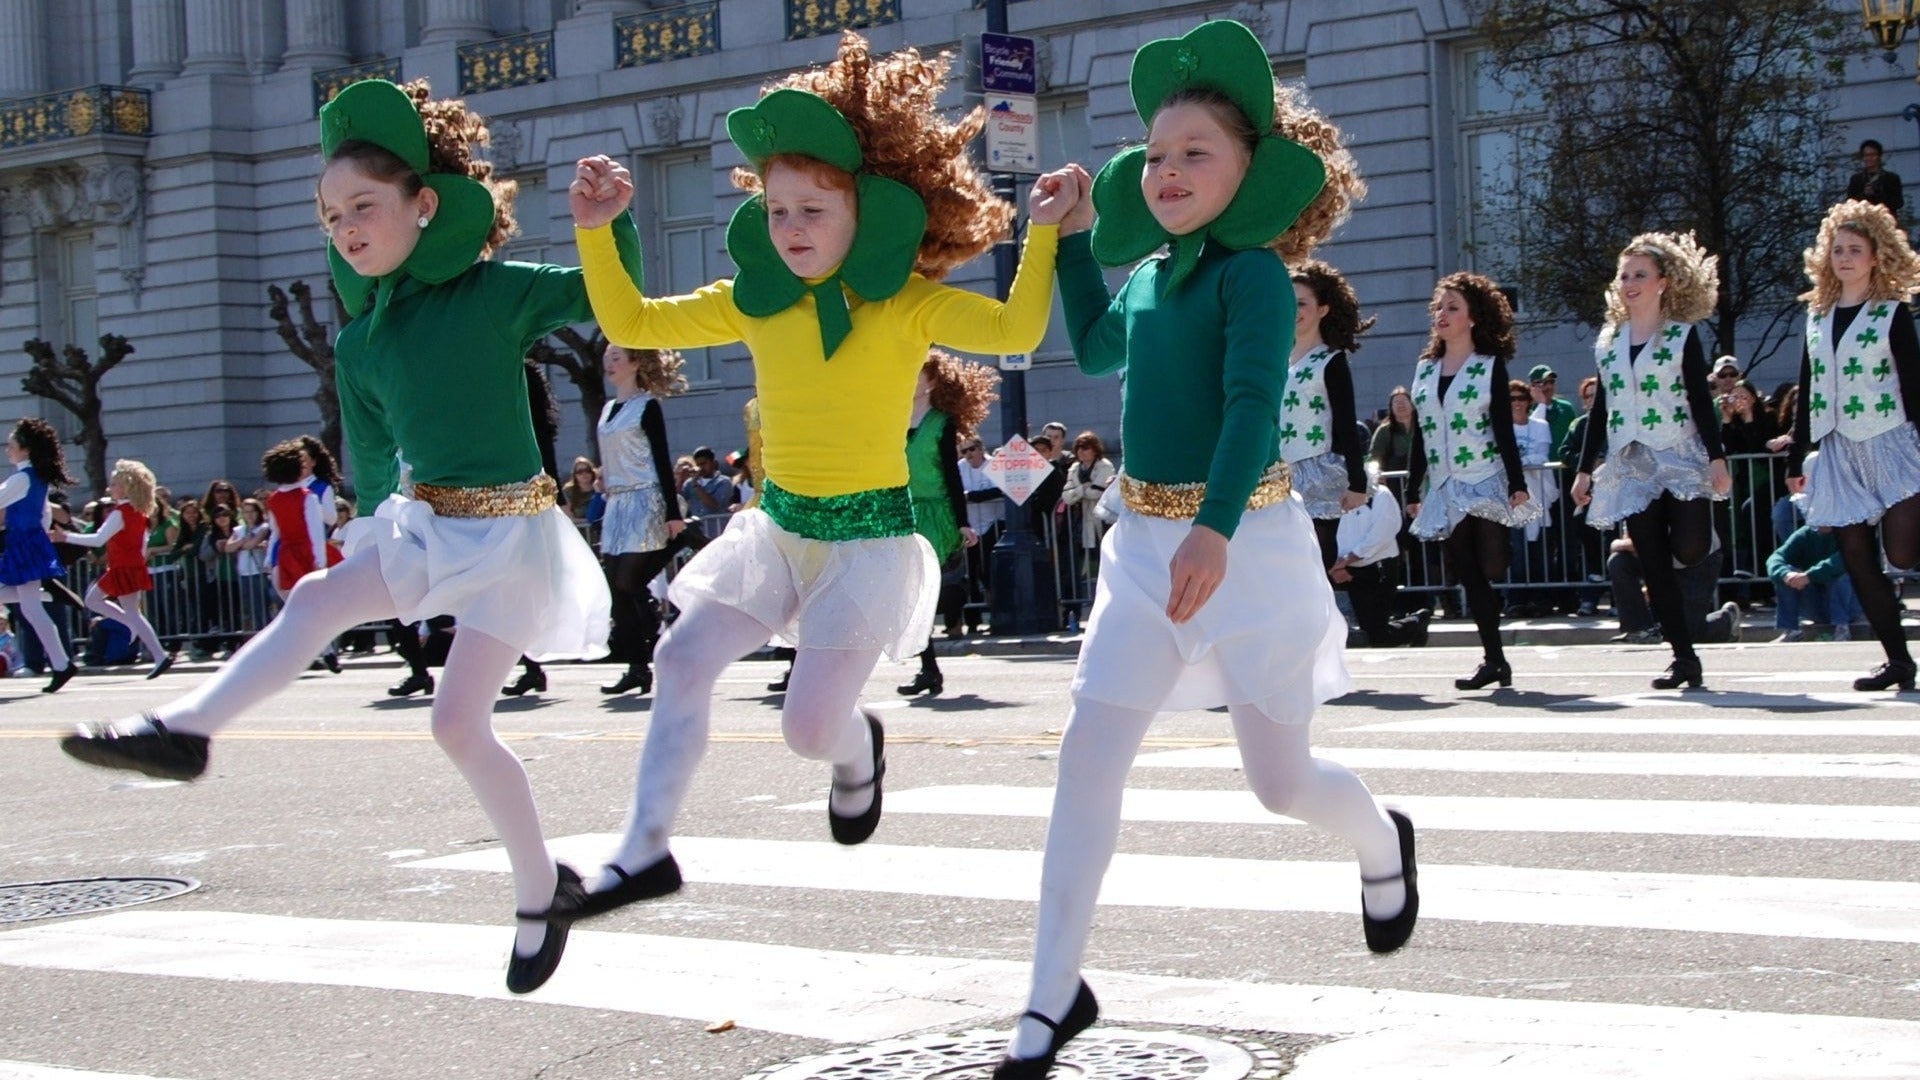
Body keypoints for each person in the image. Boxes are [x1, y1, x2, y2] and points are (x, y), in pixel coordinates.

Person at [57, 78, 629, 994]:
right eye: (331, 218)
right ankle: (188, 730)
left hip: (517, 540)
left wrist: (605, 226)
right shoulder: (363, 340)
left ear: (424, 205)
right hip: (427, 522)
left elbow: (615, 302)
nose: (348, 228)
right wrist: (367, 536)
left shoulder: (495, 292)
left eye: (365, 206)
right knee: (320, 594)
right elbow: (369, 455)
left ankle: (540, 888)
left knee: (457, 722)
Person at [567, 32, 1069, 918]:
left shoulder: (908, 305)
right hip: (777, 531)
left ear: (864, 213)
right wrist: (600, 229)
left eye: (813, 211)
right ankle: (642, 851)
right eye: (777, 212)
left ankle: (854, 750)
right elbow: (631, 317)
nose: (791, 229)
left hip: (867, 542)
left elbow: (1018, 328)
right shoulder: (753, 302)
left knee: (808, 731)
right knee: (680, 656)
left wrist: (1043, 235)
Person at [994, 22, 1409, 1077]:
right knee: (1089, 752)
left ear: (1249, 172)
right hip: (1143, 545)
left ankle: (1381, 843)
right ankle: (1050, 994)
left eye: (1197, 154)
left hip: (1249, 543)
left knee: (1281, 784)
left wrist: (1216, 533)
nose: (1169, 170)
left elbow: (1249, 411)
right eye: (1158, 152)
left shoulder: (1259, 280)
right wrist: (1075, 235)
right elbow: (1091, 347)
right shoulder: (1152, 273)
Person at [1570, 231, 1729, 689]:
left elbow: (1701, 400)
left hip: (1678, 452)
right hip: (1630, 462)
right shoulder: (1609, 341)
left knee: (1690, 548)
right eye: (1624, 276)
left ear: (1663, 281)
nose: (1630, 282)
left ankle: (1698, 549)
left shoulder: (1681, 336)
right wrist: (1585, 469)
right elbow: (1601, 408)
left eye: (1640, 274)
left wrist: (1717, 458)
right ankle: (1683, 658)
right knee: (1655, 563)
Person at [1786, 200, 1920, 691]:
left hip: (1890, 441)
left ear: (1875, 257)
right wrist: (1798, 453)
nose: (1844, 257)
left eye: (1855, 250)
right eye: (1837, 249)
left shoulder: (1890, 313)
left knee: (1902, 553)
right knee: (1858, 560)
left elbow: (1913, 383)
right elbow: (1807, 384)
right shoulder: (1817, 315)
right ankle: (1898, 661)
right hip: (1838, 448)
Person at [1405, 272, 1536, 690]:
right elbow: (1421, 434)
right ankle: (1494, 659)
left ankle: (1496, 638)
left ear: (1473, 317)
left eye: (1452, 307)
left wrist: (1517, 483)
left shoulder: (1488, 367)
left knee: (1493, 564)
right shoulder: (1424, 370)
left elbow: (1502, 428)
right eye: (1439, 308)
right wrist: (1413, 489)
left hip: (1484, 476)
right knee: (1470, 573)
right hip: (1444, 485)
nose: (1442, 315)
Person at [898, 350, 997, 696]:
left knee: (923, 591)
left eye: (918, 374)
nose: (910, 378)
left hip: (935, 512)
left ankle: (932, 664)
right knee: (911, 595)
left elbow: (953, 477)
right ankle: (929, 669)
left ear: (932, 383)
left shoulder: (941, 423)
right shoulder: (893, 418)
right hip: (903, 512)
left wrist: (962, 522)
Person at [595, 343, 689, 697]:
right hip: (616, 504)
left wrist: (672, 512)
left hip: (644, 497)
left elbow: (662, 461)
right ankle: (639, 665)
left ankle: (682, 538)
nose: (610, 363)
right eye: (607, 358)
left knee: (627, 580)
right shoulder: (606, 410)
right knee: (618, 588)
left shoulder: (647, 406)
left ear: (636, 362)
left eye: (616, 357)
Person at [1282, 260, 1373, 569]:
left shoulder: (1330, 360)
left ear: (1322, 309)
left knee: (1317, 559)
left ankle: (1323, 617)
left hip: (1318, 469)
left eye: (1302, 303)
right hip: (1278, 472)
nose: (1294, 310)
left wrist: (1357, 482)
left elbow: (1346, 423)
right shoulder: (1278, 360)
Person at [49, 459, 174, 679]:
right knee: (99, 602)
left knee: (101, 603)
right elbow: (142, 544)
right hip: (128, 565)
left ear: (126, 486)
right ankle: (147, 643)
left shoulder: (122, 511)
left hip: (123, 567)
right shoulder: (138, 512)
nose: (110, 488)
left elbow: (98, 540)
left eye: (114, 484)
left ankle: (158, 653)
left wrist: (64, 536)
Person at [0, 418, 79, 692]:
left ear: (25, 449)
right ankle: (61, 663)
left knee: (32, 609)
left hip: (22, 544)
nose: (7, 450)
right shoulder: (34, 478)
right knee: (30, 605)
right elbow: (44, 514)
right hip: (26, 543)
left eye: (11, 445)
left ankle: (61, 664)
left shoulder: (22, 478)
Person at [1330, 463, 1428, 647]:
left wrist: (1348, 559)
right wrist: (1335, 566)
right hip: (1347, 570)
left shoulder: (1381, 495)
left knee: (1377, 636)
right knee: (1370, 630)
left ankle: (1416, 623)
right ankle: (1411, 625)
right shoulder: (1331, 499)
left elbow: (1382, 533)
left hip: (1379, 567)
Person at [1607, 527, 1741, 645]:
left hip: (1699, 559)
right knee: (1619, 561)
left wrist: (1616, 544)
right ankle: (1639, 629)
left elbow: (1653, 541)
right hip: (1664, 560)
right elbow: (1633, 539)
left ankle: (1727, 621)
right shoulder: (1633, 500)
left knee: (1684, 633)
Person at [1767, 523, 1860, 642]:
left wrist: (1809, 576)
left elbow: (1843, 560)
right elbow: (1776, 557)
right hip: (1815, 604)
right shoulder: (1806, 533)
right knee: (1787, 574)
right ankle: (1790, 630)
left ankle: (1842, 629)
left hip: (1850, 607)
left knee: (1842, 574)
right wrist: (1785, 574)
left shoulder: (1848, 533)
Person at [1057, 430, 1114, 622]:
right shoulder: (1073, 469)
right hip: (1077, 522)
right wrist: (1083, 489)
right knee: (1073, 567)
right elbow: (1066, 495)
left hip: (1100, 521)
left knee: (1103, 563)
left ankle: (1105, 609)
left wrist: (1079, 491)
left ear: (1095, 449)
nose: (1082, 452)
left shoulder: (1104, 466)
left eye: (1086, 448)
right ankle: (1072, 611)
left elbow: (1098, 492)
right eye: (1079, 448)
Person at [1526, 365, 1578, 461]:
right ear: (1532, 387)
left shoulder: (1566, 408)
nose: (1549, 386)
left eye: (1551, 382)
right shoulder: (1526, 411)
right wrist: (1541, 403)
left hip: (1564, 470)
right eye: (1543, 383)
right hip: (1539, 471)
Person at [1846, 139, 1903, 218]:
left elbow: (1898, 203)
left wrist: (1877, 194)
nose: (1869, 158)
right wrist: (1864, 194)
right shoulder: (1856, 179)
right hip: (1863, 222)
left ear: (1879, 156)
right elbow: (1850, 203)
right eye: (1866, 155)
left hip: (1886, 221)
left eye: (1872, 155)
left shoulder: (1891, 178)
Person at [679, 447, 735, 519]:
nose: (701, 468)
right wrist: (680, 479)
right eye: (698, 465)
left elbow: (715, 505)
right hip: (697, 528)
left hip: (718, 527)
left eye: (703, 464)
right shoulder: (689, 483)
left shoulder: (724, 482)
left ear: (713, 463)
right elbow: (678, 500)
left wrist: (696, 484)